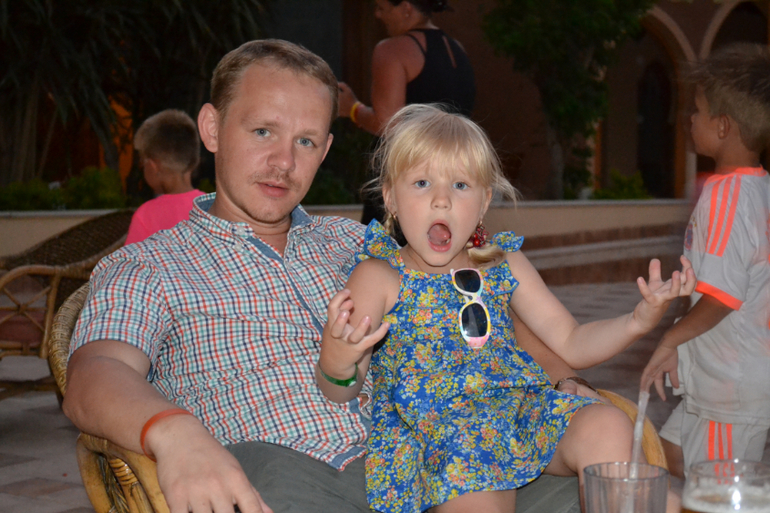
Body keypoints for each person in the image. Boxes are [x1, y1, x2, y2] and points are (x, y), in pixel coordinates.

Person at [63, 40, 597, 513]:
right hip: (286, 472)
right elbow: (94, 374)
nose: (283, 162)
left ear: (325, 150)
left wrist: (560, 378)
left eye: (306, 141)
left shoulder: (360, 244)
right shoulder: (151, 265)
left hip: (436, 460)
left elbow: (488, 302)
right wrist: (173, 432)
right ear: (212, 128)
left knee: (610, 486)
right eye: (263, 131)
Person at [317, 104, 695, 512]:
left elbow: (572, 341)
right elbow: (341, 390)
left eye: (460, 185)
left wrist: (637, 321)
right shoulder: (379, 276)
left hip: (521, 411)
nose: (442, 201)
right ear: (390, 197)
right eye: (422, 183)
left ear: (483, 202)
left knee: (608, 423)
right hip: (446, 438)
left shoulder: (501, 262)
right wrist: (339, 360)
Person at [641, 43, 770, 479]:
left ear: (723, 126)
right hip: (728, 379)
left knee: (715, 494)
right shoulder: (759, 188)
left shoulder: (726, 197)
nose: (689, 120)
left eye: (697, 111)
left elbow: (721, 296)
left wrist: (669, 340)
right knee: (665, 455)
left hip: (728, 389)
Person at [337, 0, 475, 225]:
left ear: (406, 9)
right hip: (452, 178)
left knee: (386, 248)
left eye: (382, 8)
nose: (377, 15)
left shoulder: (393, 50)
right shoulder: (456, 49)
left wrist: (352, 108)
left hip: (408, 179)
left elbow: (387, 124)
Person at [125, 109, 204, 245]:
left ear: (153, 166)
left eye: (142, 162)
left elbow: (130, 259)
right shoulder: (216, 209)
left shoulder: (146, 216)